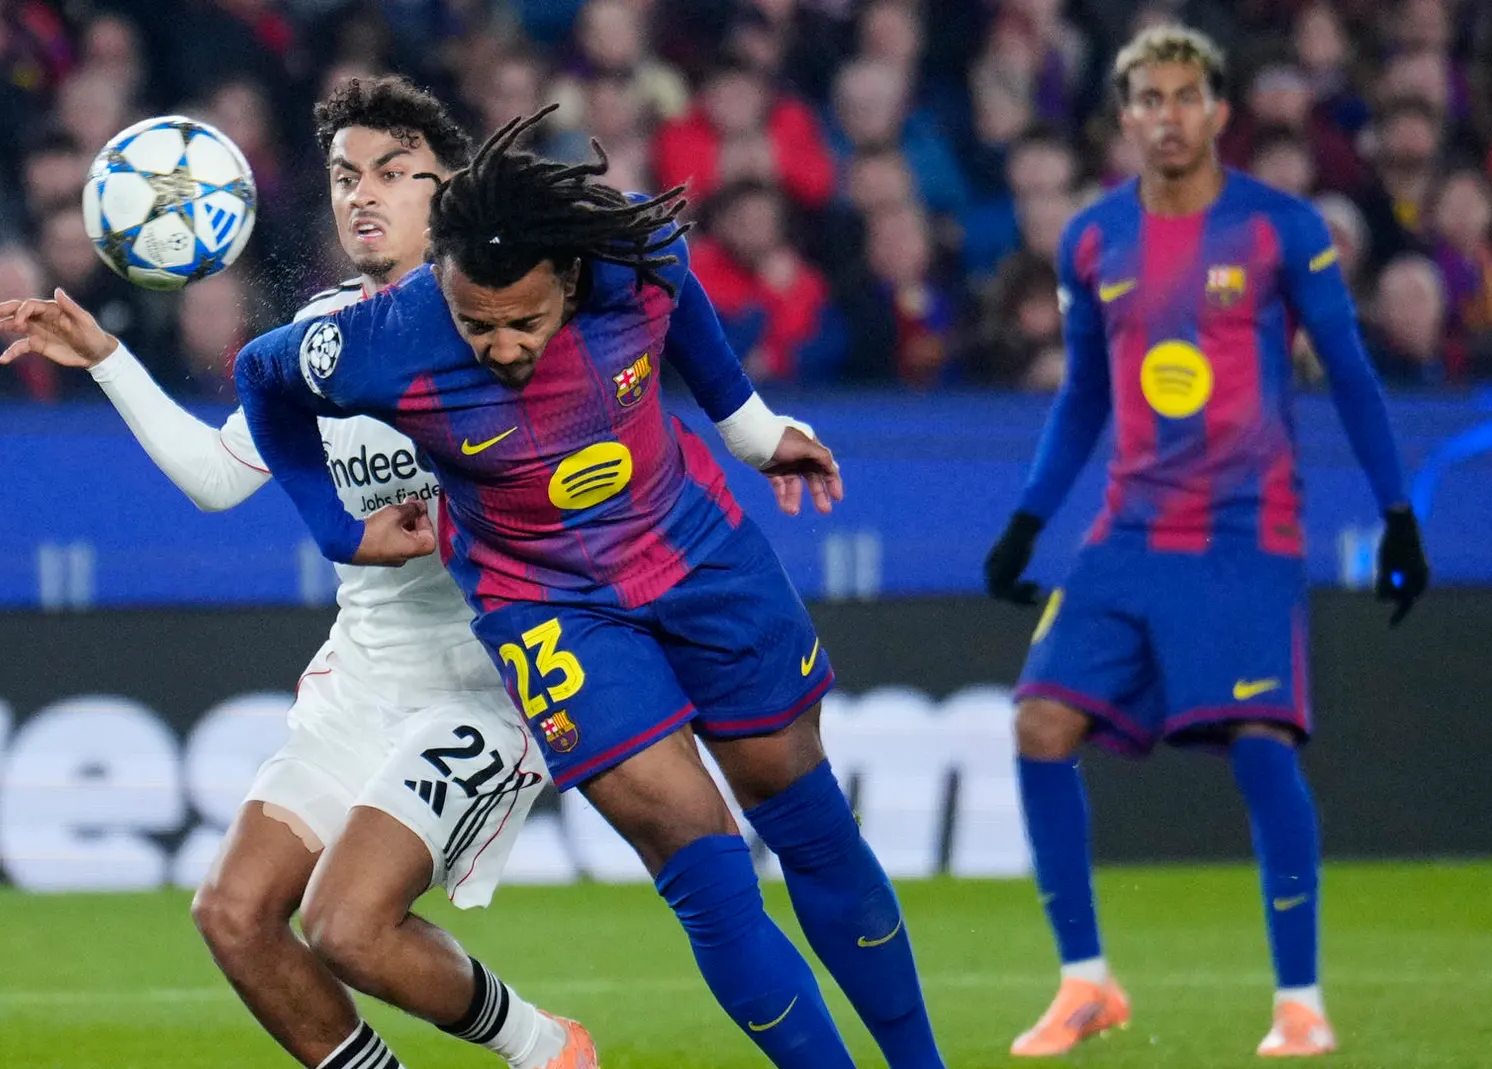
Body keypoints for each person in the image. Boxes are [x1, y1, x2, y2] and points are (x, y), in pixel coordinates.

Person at [233, 107, 947, 1069]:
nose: (503, 346)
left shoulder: (623, 261)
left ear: (568, 282)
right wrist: (338, 533)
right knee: (709, 878)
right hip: (548, 608)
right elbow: (258, 378)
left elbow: (681, 284)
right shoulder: (379, 340)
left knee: (807, 821)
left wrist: (750, 428)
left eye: (526, 320)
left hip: (699, 558)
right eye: (476, 324)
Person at [0, 77, 587, 1069]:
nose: (361, 194)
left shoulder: (508, 321)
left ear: (449, 192)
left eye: (393, 174)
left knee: (346, 927)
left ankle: (548, 1050)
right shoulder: (320, 340)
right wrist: (107, 359)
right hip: (361, 681)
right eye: (347, 175)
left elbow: (581, 481)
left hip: (488, 685)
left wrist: (473, 514)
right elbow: (221, 479)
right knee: (233, 913)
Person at [979, 25, 1431, 1059]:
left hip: (1244, 532)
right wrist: (1025, 521)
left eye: (1187, 95)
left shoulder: (1279, 229)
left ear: (1218, 111)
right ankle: (1085, 983)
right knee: (1039, 725)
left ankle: (1299, 1001)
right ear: (1125, 116)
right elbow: (1086, 394)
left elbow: (1352, 375)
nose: (1168, 115)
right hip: (1126, 530)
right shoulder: (1092, 240)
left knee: (1261, 746)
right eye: (1148, 97)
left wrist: (1397, 512)